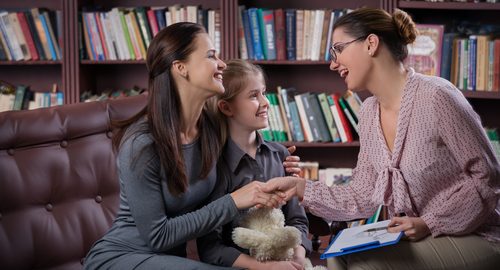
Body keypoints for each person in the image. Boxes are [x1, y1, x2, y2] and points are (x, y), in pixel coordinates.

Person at [262, 7, 500, 270]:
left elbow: (487, 177)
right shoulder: (368, 112)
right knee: (336, 257)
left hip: (479, 235)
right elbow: (363, 196)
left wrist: (429, 222)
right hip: (422, 236)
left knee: (367, 267)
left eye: (338, 49)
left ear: (371, 44)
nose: (333, 63)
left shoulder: (437, 96)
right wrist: (299, 188)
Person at [83, 22, 288, 270]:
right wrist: (232, 202)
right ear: (181, 68)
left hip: (171, 260)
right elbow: (158, 237)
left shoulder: (210, 131)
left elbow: (245, 147)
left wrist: (280, 162)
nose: (222, 64)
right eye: (212, 56)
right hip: (122, 257)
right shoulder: (142, 144)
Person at [197, 59, 312, 270]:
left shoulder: (281, 155)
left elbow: (298, 221)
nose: (266, 102)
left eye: (263, 93)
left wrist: (298, 255)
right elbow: (210, 247)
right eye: (253, 95)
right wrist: (265, 267)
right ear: (226, 107)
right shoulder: (215, 167)